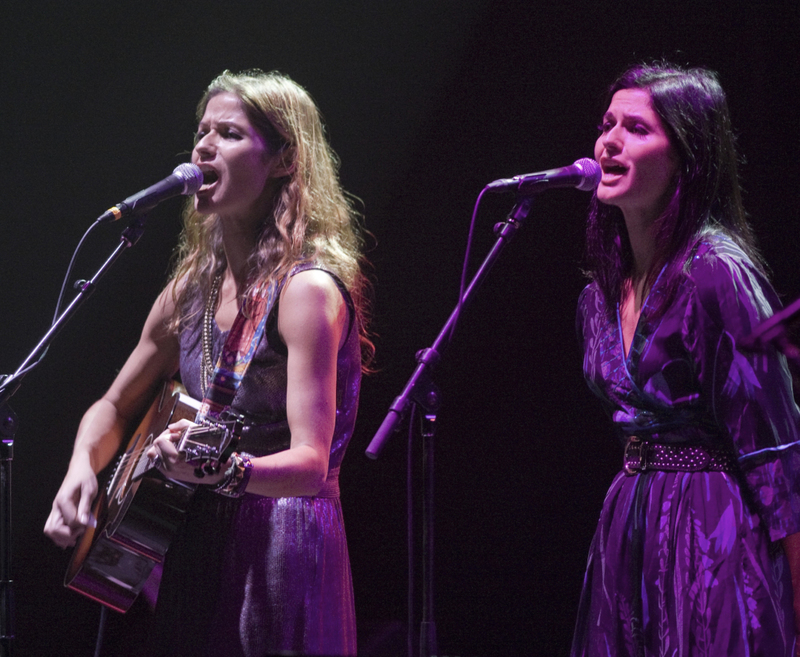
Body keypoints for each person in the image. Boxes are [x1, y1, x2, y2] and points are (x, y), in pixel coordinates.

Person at [44, 69, 372, 657]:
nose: (203, 147)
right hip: (195, 539)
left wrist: (224, 472)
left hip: (282, 545)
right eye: (201, 132)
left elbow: (310, 464)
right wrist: (81, 469)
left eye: (229, 133)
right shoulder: (190, 290)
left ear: (284, 162)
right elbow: (114, 405)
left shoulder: (307, 291)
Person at [571, 62, 800, 656]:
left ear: (687, 158)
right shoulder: (599, 293)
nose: (609, 141)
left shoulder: (717, 272)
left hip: (714, 526)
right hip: (631, 521)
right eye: (606, 124)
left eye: (637, 128)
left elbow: (777, 447)